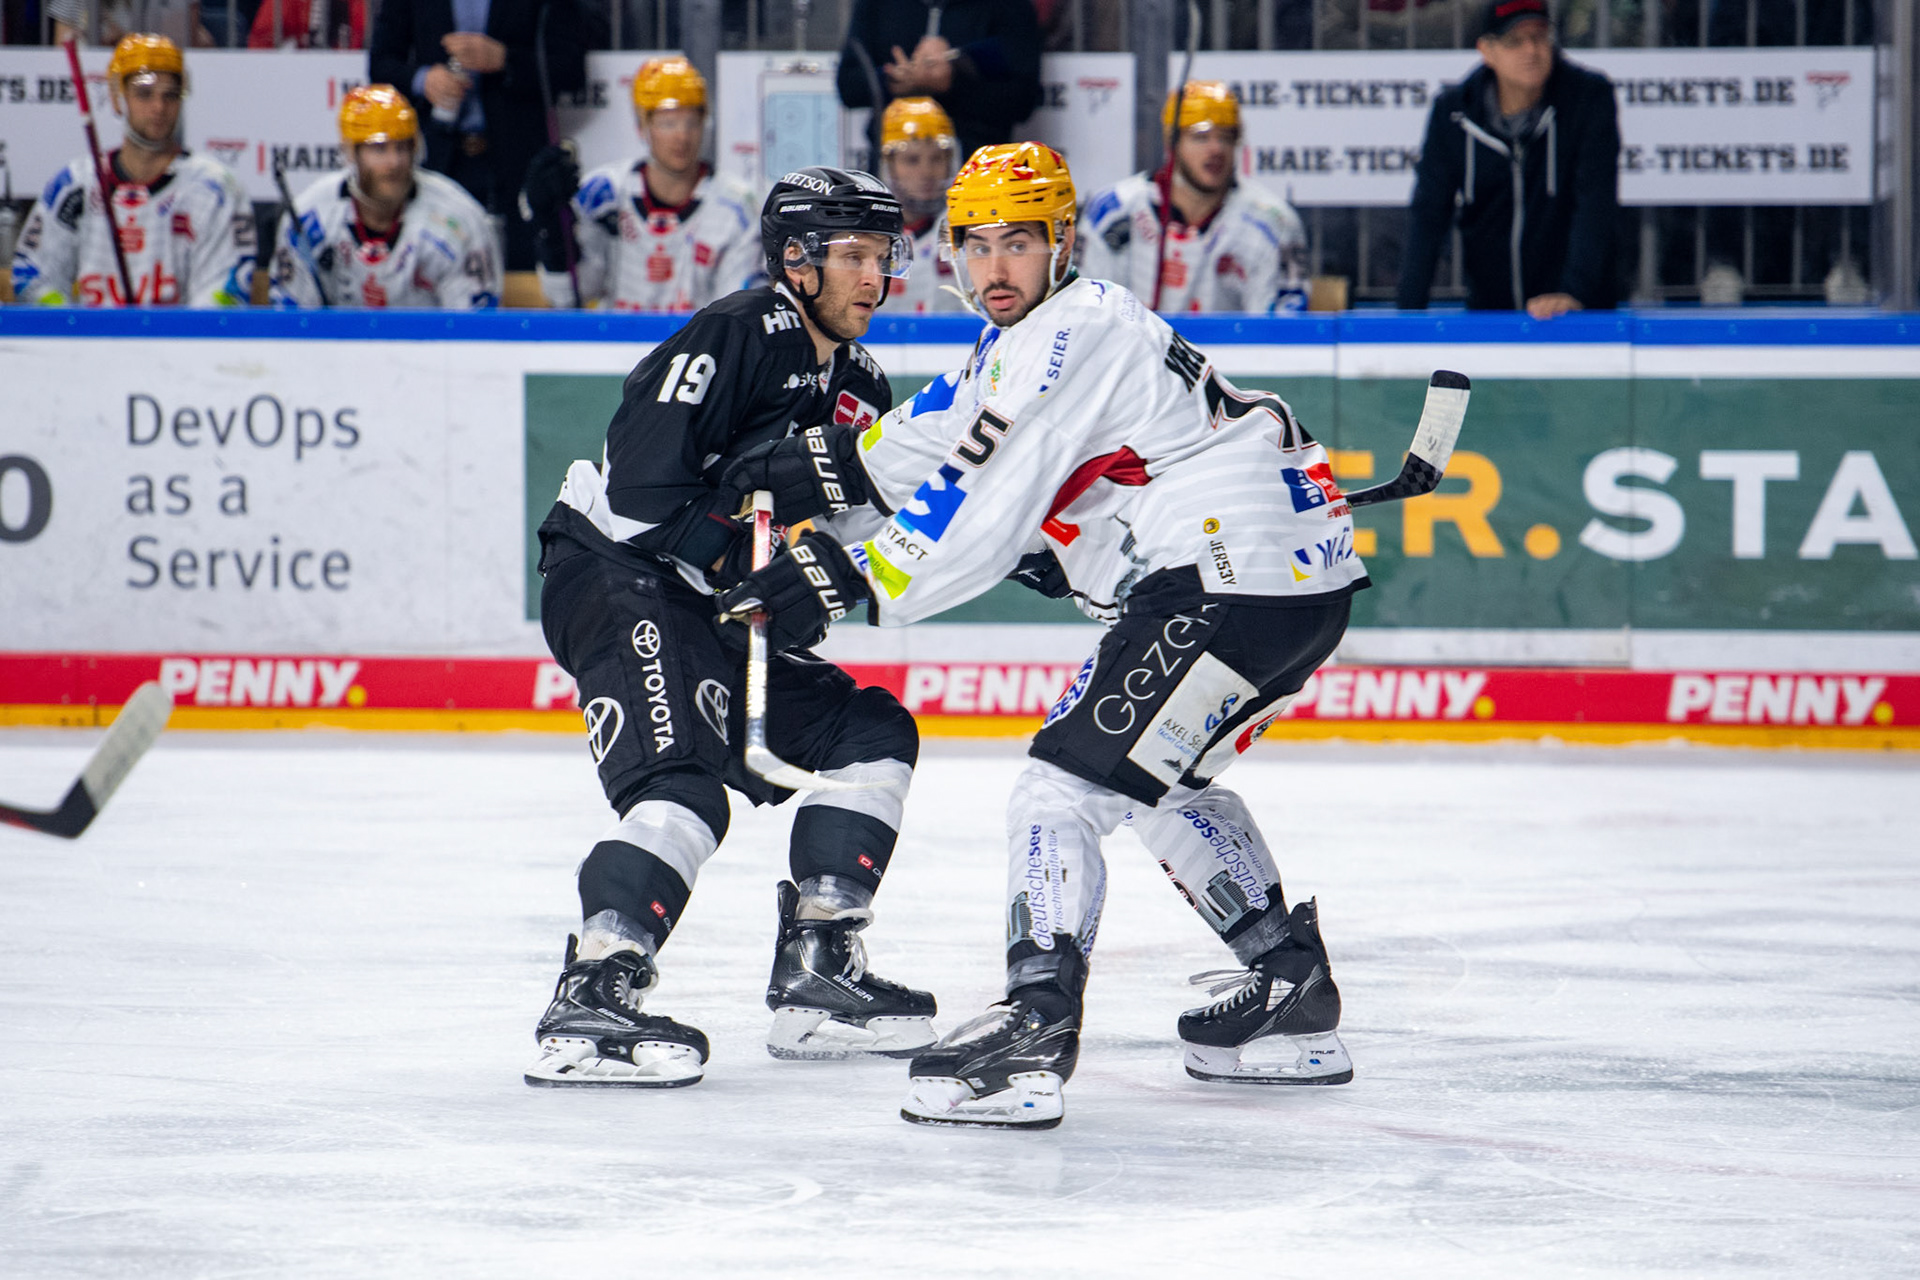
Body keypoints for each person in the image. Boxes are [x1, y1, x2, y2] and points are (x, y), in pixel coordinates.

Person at [716, 143, 1366, 1128]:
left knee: (1057, 788)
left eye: (1016, 240)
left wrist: (840, 574)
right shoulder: (1022, 344)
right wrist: (829, 464)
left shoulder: (1076, 330)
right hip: (1284, 580)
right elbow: (937, 439)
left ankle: (1036, 1020)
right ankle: (1289, 986)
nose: (993, 268)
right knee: (1154, 784)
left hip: (1227, 575)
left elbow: (979, 494)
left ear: (1061, 239)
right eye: (973, 245)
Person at [524, 167, 936, 1088]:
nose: (875, 278)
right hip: (618, 573)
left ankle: (818, 970)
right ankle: (594, 990)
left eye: (884, 257)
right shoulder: (742, 329)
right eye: (855, 257)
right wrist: (757, 561)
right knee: (683, 787)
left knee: (869, 734)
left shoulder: (862, 381)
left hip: (704, 605)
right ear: (797, 259)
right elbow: (638, 493)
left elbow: (870, 519)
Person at [1396, 0, 1619, 318]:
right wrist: (1408, 314)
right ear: (1487, 50)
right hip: (1491, 312)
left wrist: (1574, 293)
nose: (1531, 50)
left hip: (1576, 315)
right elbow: (1429, 213)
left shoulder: (1588, 99)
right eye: (1515, 41)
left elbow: (1594, 205)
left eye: (1540, 37)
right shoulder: (1455, 113)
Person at [11, 33, 252, 308]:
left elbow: (220, 296)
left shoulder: (215, 188)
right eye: (144, 94)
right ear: (117, 97)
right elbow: (32, 275)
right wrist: (74, 329)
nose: (158, 107)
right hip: (88, 347)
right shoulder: (76, 184)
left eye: (170, 96)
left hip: (180, 348)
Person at [519, 56, 759, 312]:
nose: (682, 136)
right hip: (616, 347)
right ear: (642, 125)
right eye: (668, 123)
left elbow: (737, 313)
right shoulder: (604, 192)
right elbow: (569, 296)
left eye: (691, 122)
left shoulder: (738, 205)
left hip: (700, 347)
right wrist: (551, 229)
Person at [367, 0, 586, 272]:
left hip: (517, 163)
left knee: (524, 275)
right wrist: (424, 80)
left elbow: (571, 67)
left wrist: (504, 59)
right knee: (433, 271)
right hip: (440, 160)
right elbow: (381, 64)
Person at [1079, 81, 1309, 314]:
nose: (1216, 149)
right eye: (1201, 137)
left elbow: (1279, 332)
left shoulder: (1273, 222)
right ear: (1171, 143)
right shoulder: (1112, 211)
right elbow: (1085, 313)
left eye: (1227, 137)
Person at [269, 85, 501, 309]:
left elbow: (473, 332)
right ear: (351, 152)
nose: (394, 162)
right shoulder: (310, 217)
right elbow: (292, 327)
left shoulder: (459, 220)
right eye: (379, 149)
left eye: (402, 148)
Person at [836, 0, 1042, 164]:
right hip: (894, 168)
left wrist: (952, 82)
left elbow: (1023, 100)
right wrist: (894, 80)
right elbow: (848, 87)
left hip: (978, 170)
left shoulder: (1009, 5)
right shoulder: (877, 4)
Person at [876, 97, 964, 314]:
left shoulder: (966, 229)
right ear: (890, 166)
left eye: (937, 159)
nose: (926, 173)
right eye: (912, 160)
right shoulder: (868, 233)